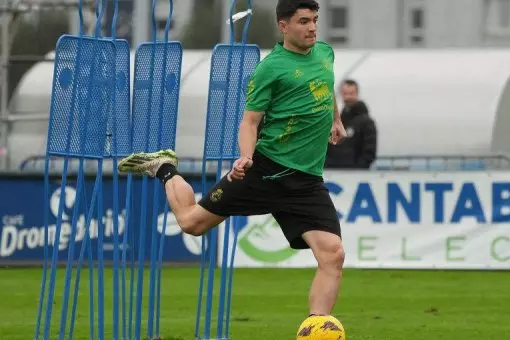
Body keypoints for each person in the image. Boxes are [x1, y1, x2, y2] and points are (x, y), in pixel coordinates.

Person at [117, 0, 347, 317]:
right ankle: (165, 168)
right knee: (191, 223)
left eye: (315, 20)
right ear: (284, 26)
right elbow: (249, 122)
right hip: (266, 170)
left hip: (306, 182)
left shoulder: (324, 53)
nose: (312, 28)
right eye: (304, 21)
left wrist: (335, 118)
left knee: (332, 254)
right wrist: (246, 157)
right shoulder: (270, 69)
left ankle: (315, 329)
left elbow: (326, 84)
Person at [325, 79, 377, 169]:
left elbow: (369, 152)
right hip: (333, 173)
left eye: (351, 93)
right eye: (345, 94)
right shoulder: (338, 121)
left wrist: (357, 169)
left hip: (355, 175)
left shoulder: (367, 122)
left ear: (357, 94)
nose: (348, 97)